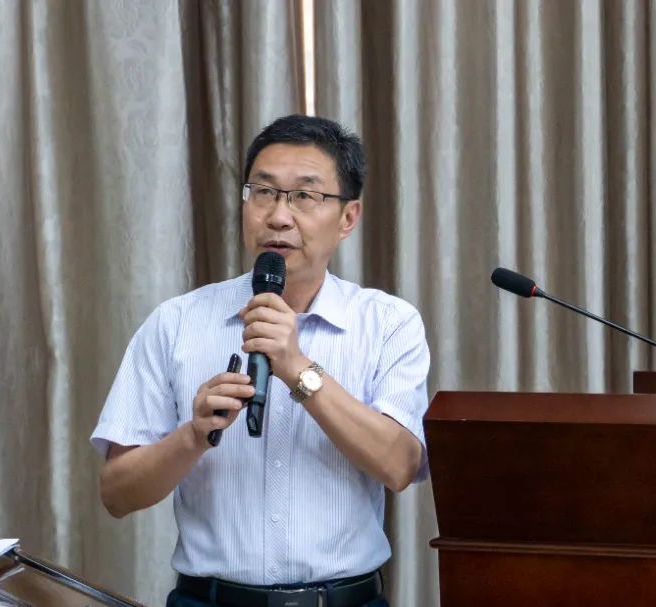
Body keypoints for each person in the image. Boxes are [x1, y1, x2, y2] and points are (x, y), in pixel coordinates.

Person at [90, 115, 430, 607]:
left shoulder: (389, 324)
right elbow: (117, 494)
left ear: (348, 218)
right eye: (264, 192)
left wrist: (296, 367)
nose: (278, 216)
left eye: (305, 196)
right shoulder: (176, 323)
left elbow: (400, 465)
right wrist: (192, 436)